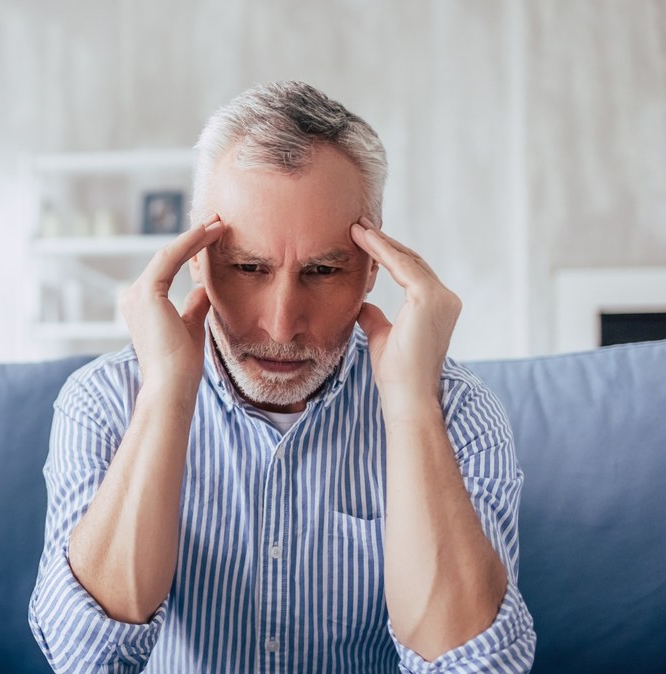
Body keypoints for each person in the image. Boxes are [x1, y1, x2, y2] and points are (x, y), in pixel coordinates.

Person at [28, 81, 536, 673]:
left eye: (322, 270)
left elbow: (476, 668)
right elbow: (84, 659)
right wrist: (166, 394)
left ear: (374, 268)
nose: (281, 323)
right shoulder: (105, 400)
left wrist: (411, 408)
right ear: (195, 258)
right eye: (247, 267)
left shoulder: (459, 412)